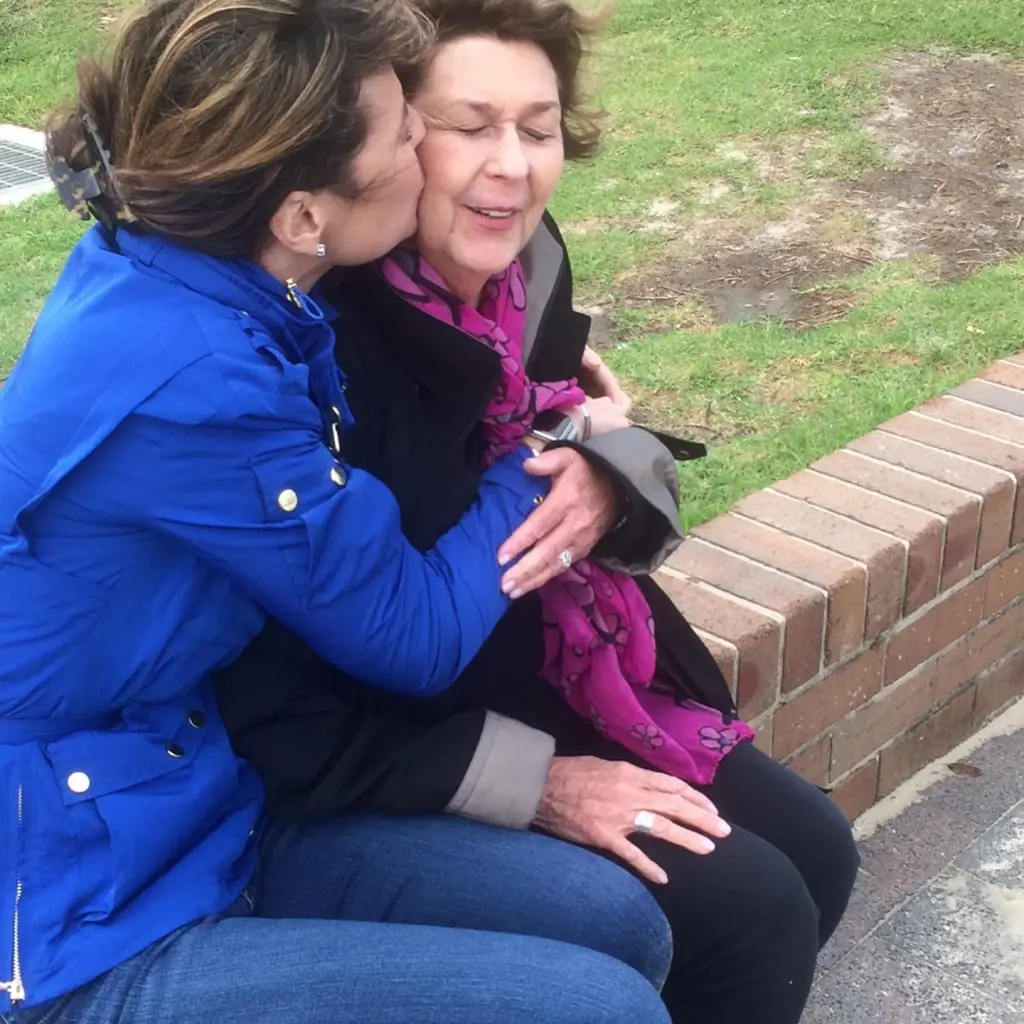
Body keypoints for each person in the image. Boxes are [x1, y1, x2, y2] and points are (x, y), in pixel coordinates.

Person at [0, 1, 681, 1021]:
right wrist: (560, 446)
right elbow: (412, 632)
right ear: (306, 217)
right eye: (408, 132)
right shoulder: (197, 381)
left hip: (186, 805)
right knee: (597, 1006)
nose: (427, 143)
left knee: (620, 919)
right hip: (75, 916)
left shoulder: (193, 276)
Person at [215, 1, 862, 1022]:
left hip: (550, 664)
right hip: (381, 749)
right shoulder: (324, 351)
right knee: (748, 913)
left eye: (539, 127)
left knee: (818, 849)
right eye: (468, 126)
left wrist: (612, 462)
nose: (511, 167)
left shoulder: (525, 272)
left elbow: (598, 461)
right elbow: (277, 705)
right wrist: (545, 782)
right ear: (385, 141)